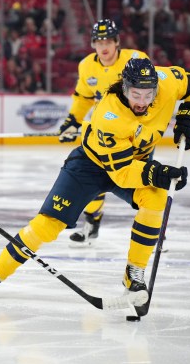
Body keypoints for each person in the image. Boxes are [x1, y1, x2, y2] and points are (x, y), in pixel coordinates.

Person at [0, 58, 190, 316]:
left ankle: (134, 273)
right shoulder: (110, 114)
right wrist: (159, 174)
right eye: (135, 94)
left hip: (134, 162)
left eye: (148, 94)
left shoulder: (168, 81)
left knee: (156, 199)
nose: (142, 101)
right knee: (47, 225)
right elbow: (124, 174)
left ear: (156, 89)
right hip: (90, 166)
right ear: (124, 88)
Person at [57, 19, 149, 246]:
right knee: (92, 179)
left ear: (117, 42)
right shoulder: (87, 65)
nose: (104, 46)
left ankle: (154, 233)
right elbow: (84, 97)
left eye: (108, 41)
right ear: (92, 44)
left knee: (143, 184)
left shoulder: (136, 60)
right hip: (104, 136)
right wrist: (72, 121)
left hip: (135, 134)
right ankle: (92, 225)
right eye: (99, 42)